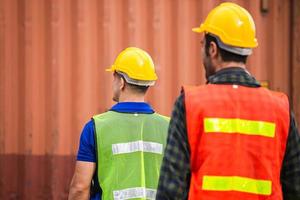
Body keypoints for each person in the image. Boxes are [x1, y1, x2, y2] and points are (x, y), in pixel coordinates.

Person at [156, 2, 300, 200]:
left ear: (212, 49)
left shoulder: (191, 104)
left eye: (202, 45)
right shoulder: (280, 109)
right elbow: (295, 186)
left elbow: (171, 189)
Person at [69, 47, 169, 200]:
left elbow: (80, 188)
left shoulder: (95, 127)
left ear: (121, 82)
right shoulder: (169, 127)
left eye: (114, 76)